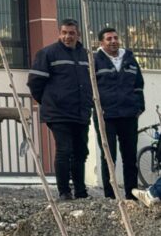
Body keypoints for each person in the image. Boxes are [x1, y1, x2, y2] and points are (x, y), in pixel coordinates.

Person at [28, 19, 94, 201]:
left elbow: (93, 82)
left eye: (71, 33)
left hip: (81, 112)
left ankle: (81, 192)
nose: (67, 36)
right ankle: (64, 192)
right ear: (59, 34)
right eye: (64, 32)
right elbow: (35, 82)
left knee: (80, 151)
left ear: (78, 35)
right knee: (64, 150)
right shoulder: (48, 53)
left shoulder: (86, 56)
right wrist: (50, 101)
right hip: (58, 113)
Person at [93, 27, 146, 200]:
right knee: (109, 157)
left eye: (115, 38)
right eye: (109, 39)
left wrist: (139, 107)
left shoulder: (130, 59)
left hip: (128, 115)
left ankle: (132, 194)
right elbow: (89, 87)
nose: (113, 41)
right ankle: (110, 196)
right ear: (101, 42)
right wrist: (96, 108)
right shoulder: (95, 60)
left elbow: (138, 85)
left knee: (130, 156)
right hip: (106, 116)